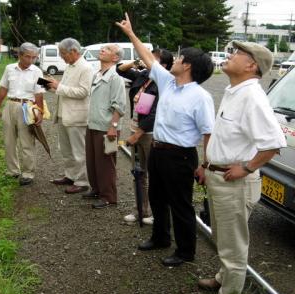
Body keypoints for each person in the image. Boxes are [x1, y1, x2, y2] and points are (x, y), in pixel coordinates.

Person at [116, 13, 215, 266]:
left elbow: (208, 133)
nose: (175, 59)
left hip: (181, 155)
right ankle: (160, 237)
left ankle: (185, 252)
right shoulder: (169, 82)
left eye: (181, 57)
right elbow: (149, 59)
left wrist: (205, 165)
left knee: (180, 204)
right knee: (158, 197)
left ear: (189, 65)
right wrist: (131, 34)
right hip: (159, 151)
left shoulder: (200, 97)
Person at [195, 41, 286, 294]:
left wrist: (246, 168)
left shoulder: (252, 96)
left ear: (251, 65)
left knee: (233, 247)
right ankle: (223, 279)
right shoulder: (234, 90)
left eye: (236, 53)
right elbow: (225, 138)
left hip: (234, 183)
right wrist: (206, 164)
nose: (229, 55)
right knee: (224, 238)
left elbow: (273, 144)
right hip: (219, 176)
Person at [116, 49, 174, 225]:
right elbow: (120, 70)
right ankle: (141, 209)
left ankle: (159, 214)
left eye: (153, 59)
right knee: (139, 174)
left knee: (155, 175)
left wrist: (138, 133)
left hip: (150, 135)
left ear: (163, 66)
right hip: (136, 131)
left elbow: (154, 114)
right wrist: (136, 62)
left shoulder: (164, 83)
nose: (147, 61)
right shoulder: (143, 76)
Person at [0, 42, 45, 186]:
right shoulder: (9, 68)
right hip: (10, 105)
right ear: (19, 55)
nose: (31, 60)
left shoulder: (38, 71)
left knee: (27, 141)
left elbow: (39, 94)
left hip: (27, 106)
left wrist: (40, 112)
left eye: (34, 57)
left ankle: (28, 173)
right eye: (28, 57)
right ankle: (12, 170)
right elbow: (3, 88)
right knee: (9, 141)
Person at [47, 38, 93, 194]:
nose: (61, 57)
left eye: (63, 53)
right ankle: (70, 175)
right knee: (66, 149)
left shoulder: (86, 68)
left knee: (79, 151)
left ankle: (82, 181)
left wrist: (58, 86)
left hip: (77, 116)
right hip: (63, 114)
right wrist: (52, 86)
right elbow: (65, 89)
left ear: (74, 51)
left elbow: (83, 92)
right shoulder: (69, 66)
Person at [84, 44, 126, 209]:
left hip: (106, 126)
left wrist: (113, 127)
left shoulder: (116, 78)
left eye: (107, 49)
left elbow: (120, 106)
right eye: (102, 48)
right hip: (93, 123)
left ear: (115, 58)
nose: (102, 50)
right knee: (92, 160)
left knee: (105, 163)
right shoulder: (98, 74)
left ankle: (108, 196)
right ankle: (96, 189)